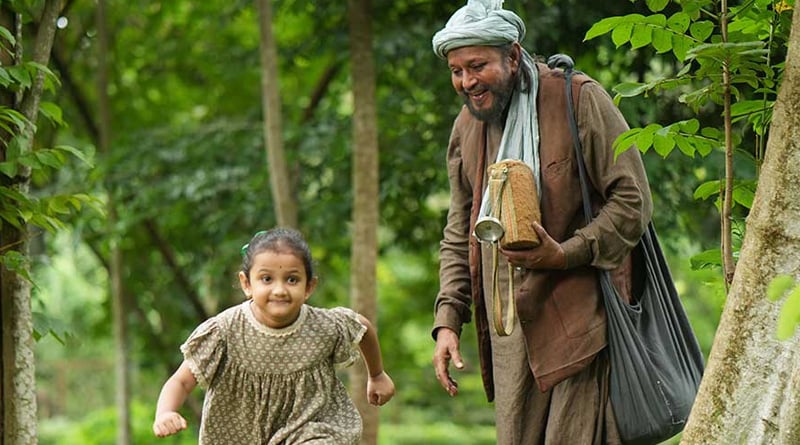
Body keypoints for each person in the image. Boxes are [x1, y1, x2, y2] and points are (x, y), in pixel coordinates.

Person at [430, 1, 653, 444]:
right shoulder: (467, 126)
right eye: (457, 71)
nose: (467, 81)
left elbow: (632, 201)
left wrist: (566, 252)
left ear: (512, 56)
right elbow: (460, 230)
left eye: (478, 66)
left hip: (581, 325)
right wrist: (448, 319)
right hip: (509, 331)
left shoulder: (579, 99)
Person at [152, 227, 395, 444]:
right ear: (247, 283)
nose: (279, 290)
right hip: (239, 434)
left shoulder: (324, 326)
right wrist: (165, 412)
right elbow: (182, 381)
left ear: (309, 286)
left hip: (311, 427)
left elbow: (362, 327)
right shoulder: (225, 330)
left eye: (292, 279)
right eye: (266, 279)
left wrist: (377, 374)